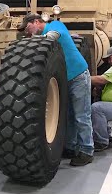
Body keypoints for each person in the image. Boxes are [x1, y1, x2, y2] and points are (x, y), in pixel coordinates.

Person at [18, 13, 94, 166]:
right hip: (66, 78)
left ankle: (87, 150)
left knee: (81, 116)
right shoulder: (43, 35)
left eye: (28, 28)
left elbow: (52, 37)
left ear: (36, 22)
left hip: (78, 76)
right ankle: (71, 147)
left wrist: (30, 41)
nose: (27, 32)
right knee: (69, 115)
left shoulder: (54, 26)